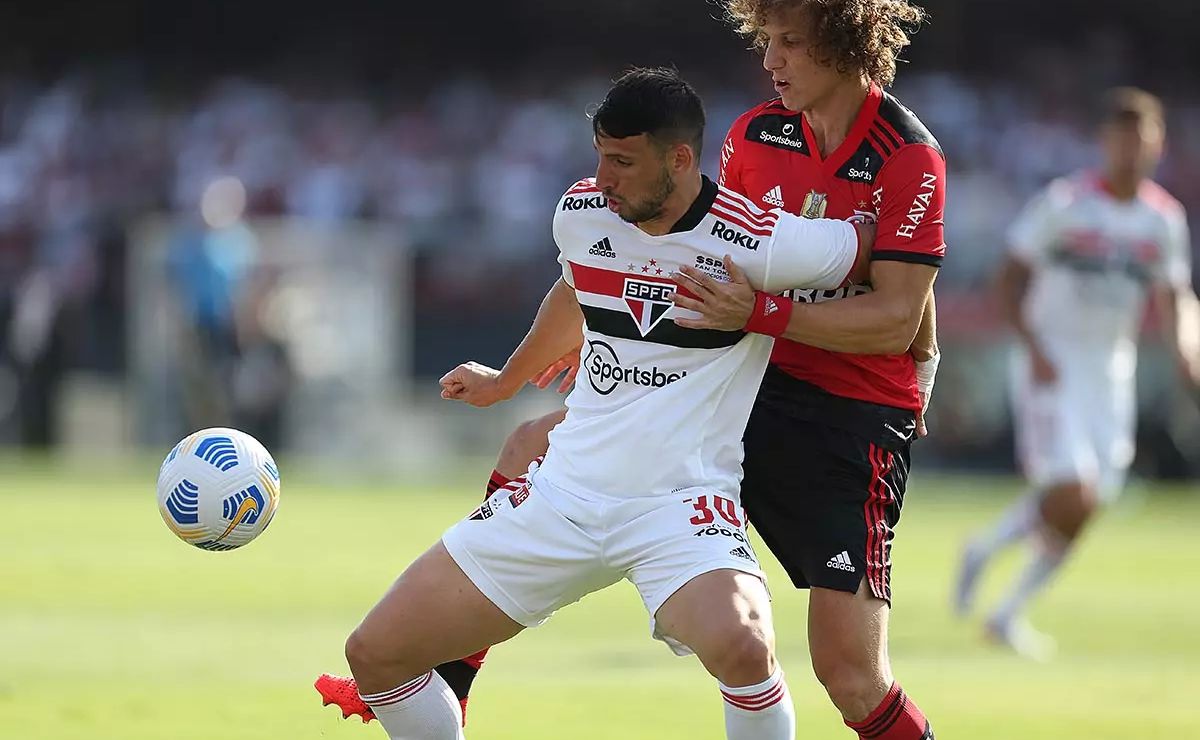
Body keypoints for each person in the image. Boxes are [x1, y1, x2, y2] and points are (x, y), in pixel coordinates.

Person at [324, 3, 944, 738]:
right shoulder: (754, 134)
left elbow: (899, 304)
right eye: (767, 41)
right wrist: (546, 363)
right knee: (530, 444)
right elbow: (661, 250)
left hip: (843, 411)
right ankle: (449, 677)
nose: (770, 59)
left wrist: (903, 368)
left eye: (790, 44)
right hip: (753, 381)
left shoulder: (906, 156)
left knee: (849, 675)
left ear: (842, 47)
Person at [955, 87, 1200, 658]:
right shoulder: (1065, 205)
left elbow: (1175, 296)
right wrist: (1033, 346)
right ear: (1104, 142)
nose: (1131, 152)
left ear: (1158, 146)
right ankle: (991, 568)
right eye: (1122, 139)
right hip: (1054, 361)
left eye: (1142, 141)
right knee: (1075, 488)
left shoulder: (1163, 220)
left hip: (1113, 368)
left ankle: (1000, 596)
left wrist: (1185, 348)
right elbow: (1008, 279)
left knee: (1090, 501)